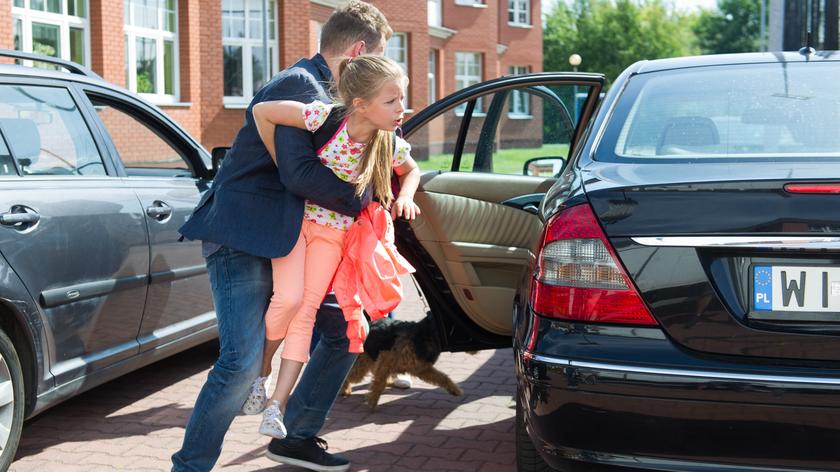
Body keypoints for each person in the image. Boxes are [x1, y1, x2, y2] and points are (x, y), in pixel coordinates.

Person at [171, 3, 392, 471]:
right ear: (357, 54)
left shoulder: (336, 101)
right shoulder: (301, 87)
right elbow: (300, 175)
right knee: (241, 364)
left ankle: (295, 434)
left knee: (343, 331)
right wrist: (363, 197)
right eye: (379, 64)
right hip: (246, 234)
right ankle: (189, 466)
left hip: (292, 238)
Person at [243, 55, 421, 440]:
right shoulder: (322, 117)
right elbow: (262, 112)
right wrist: (282, 164)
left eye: (401, 99)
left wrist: (405, 195)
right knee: (287, 300)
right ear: (361, 104)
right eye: (392, 101)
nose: (400, 108)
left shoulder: (388, 143)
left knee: (306, 310)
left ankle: (277, 405)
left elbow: (413, 170)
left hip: (334, 236)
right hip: (295, 225)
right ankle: (260, 373)